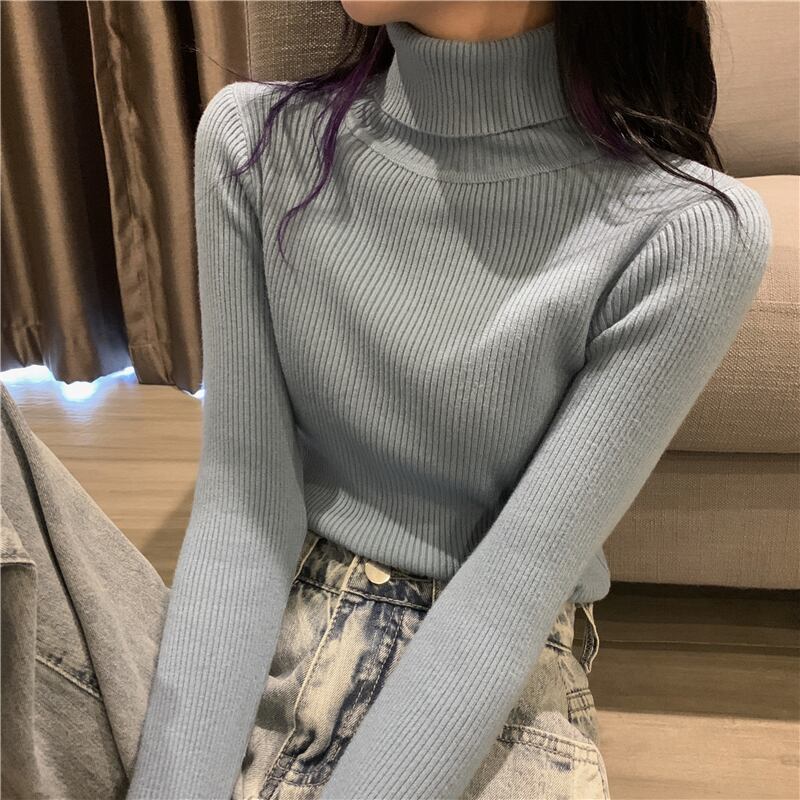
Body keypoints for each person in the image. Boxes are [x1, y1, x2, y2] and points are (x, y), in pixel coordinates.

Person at [3, 2, 772, 799]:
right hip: (273, 603)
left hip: (483, 664)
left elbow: (512, 587)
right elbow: (243, 512)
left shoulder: (688, 234)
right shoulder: (253, 140)